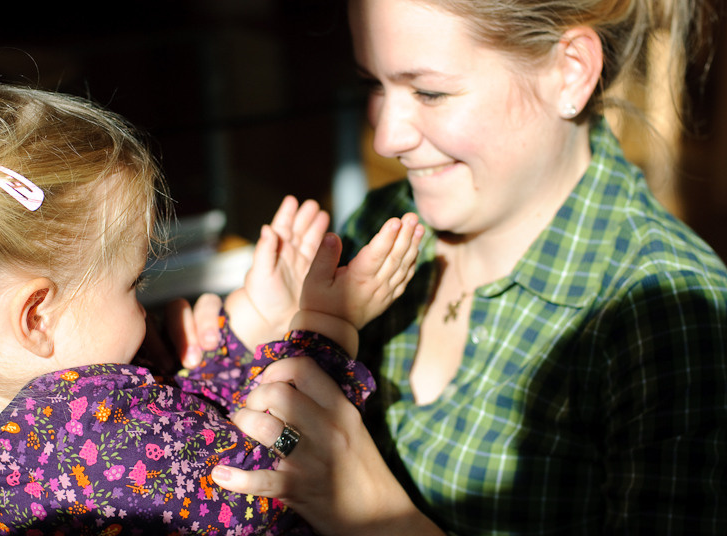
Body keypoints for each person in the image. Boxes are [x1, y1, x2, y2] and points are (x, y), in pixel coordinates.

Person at [176, 0, 727, 534]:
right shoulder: (384, 221)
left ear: (570, 71)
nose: (387, 137)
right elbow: (294, 451)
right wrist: (258, 357)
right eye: (374, 84)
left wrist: (370, 512)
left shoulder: (669, 315)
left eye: (430, 92)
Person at [0, 71, 424, 535]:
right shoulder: (101, 447)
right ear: (36, 317)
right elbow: (273, 478)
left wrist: (247, 328)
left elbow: (187, 442)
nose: (144, 310)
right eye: (133, 283)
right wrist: (327, 326)